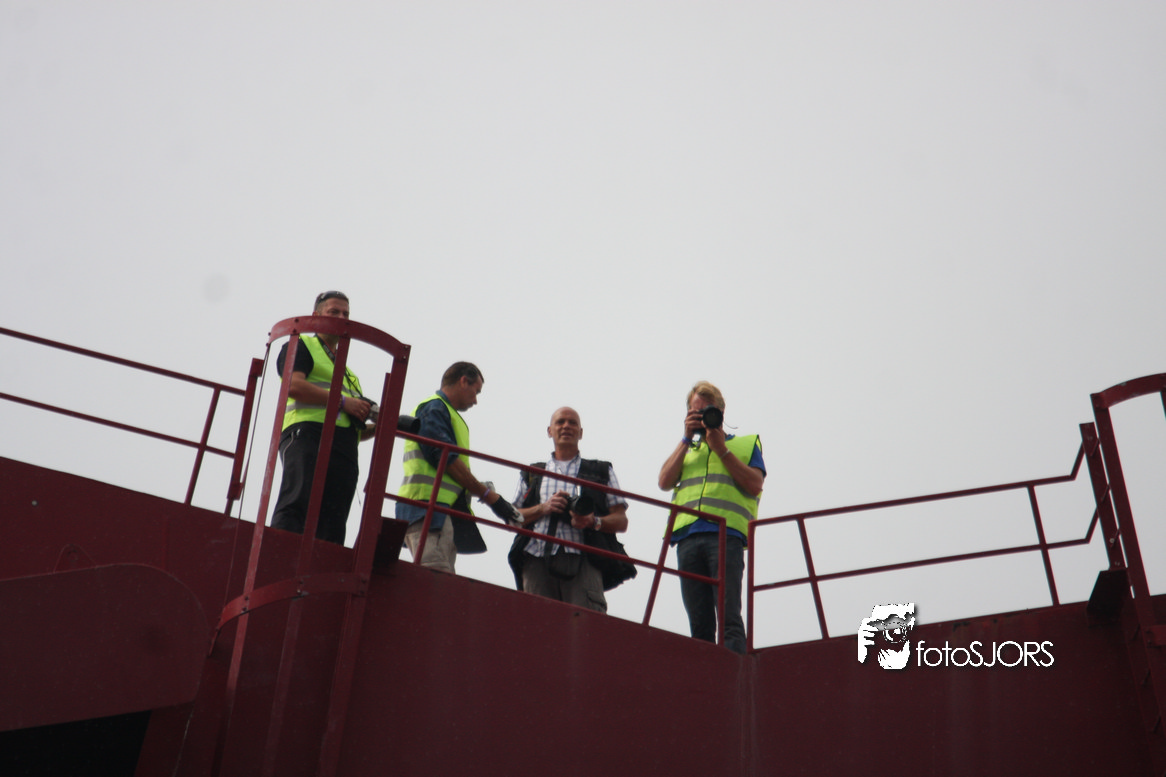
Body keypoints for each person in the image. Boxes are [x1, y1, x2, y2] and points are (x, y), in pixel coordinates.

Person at [657, 381, 765, 654]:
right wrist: (685, 438)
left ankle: (734, 667)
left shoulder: (744, 445)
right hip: (687, 538)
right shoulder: (687, 451)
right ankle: (704, 670)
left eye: (708, 411)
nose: (703, 417)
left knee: (729, 616)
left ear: (721, 412)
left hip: (725, 536)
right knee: (699, 622)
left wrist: (721, 449)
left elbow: (755, 484)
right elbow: (664, 482)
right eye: (696, 412)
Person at [271, 290, 375, 545]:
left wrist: (378, 426)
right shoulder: (301, 345)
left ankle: (323, 564)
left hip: (343, 447)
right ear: (316, 316)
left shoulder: (348, 373)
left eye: (346, 314)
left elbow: (351, 425)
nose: (341, 318)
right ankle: (278, 554)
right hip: (307, 435)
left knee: (333, 521)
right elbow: (293, 386)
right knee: (297, 503)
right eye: (334, 312)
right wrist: (344, 402)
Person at [395, 362, 521, 573]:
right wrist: (488, 496)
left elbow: (449, 463)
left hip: (438, 512)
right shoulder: (434, 408)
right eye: (476, 391)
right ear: (464, 381)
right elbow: (446, 459)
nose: (475, 400)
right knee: (434, 581)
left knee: (441, 580)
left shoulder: (445, 414)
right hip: (427, 509)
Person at [507, 407, 630, 613]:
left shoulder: (601, 471)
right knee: (537, 624)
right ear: (549, 431)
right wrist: (544, 508)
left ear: (581, 433)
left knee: (585, 625)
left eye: (572, 423)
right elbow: (512, 518)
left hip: (584, 558)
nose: (566, 426)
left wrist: (593, 521)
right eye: (560, 422)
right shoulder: (532, 473)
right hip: (536, 558)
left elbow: (621, 520)